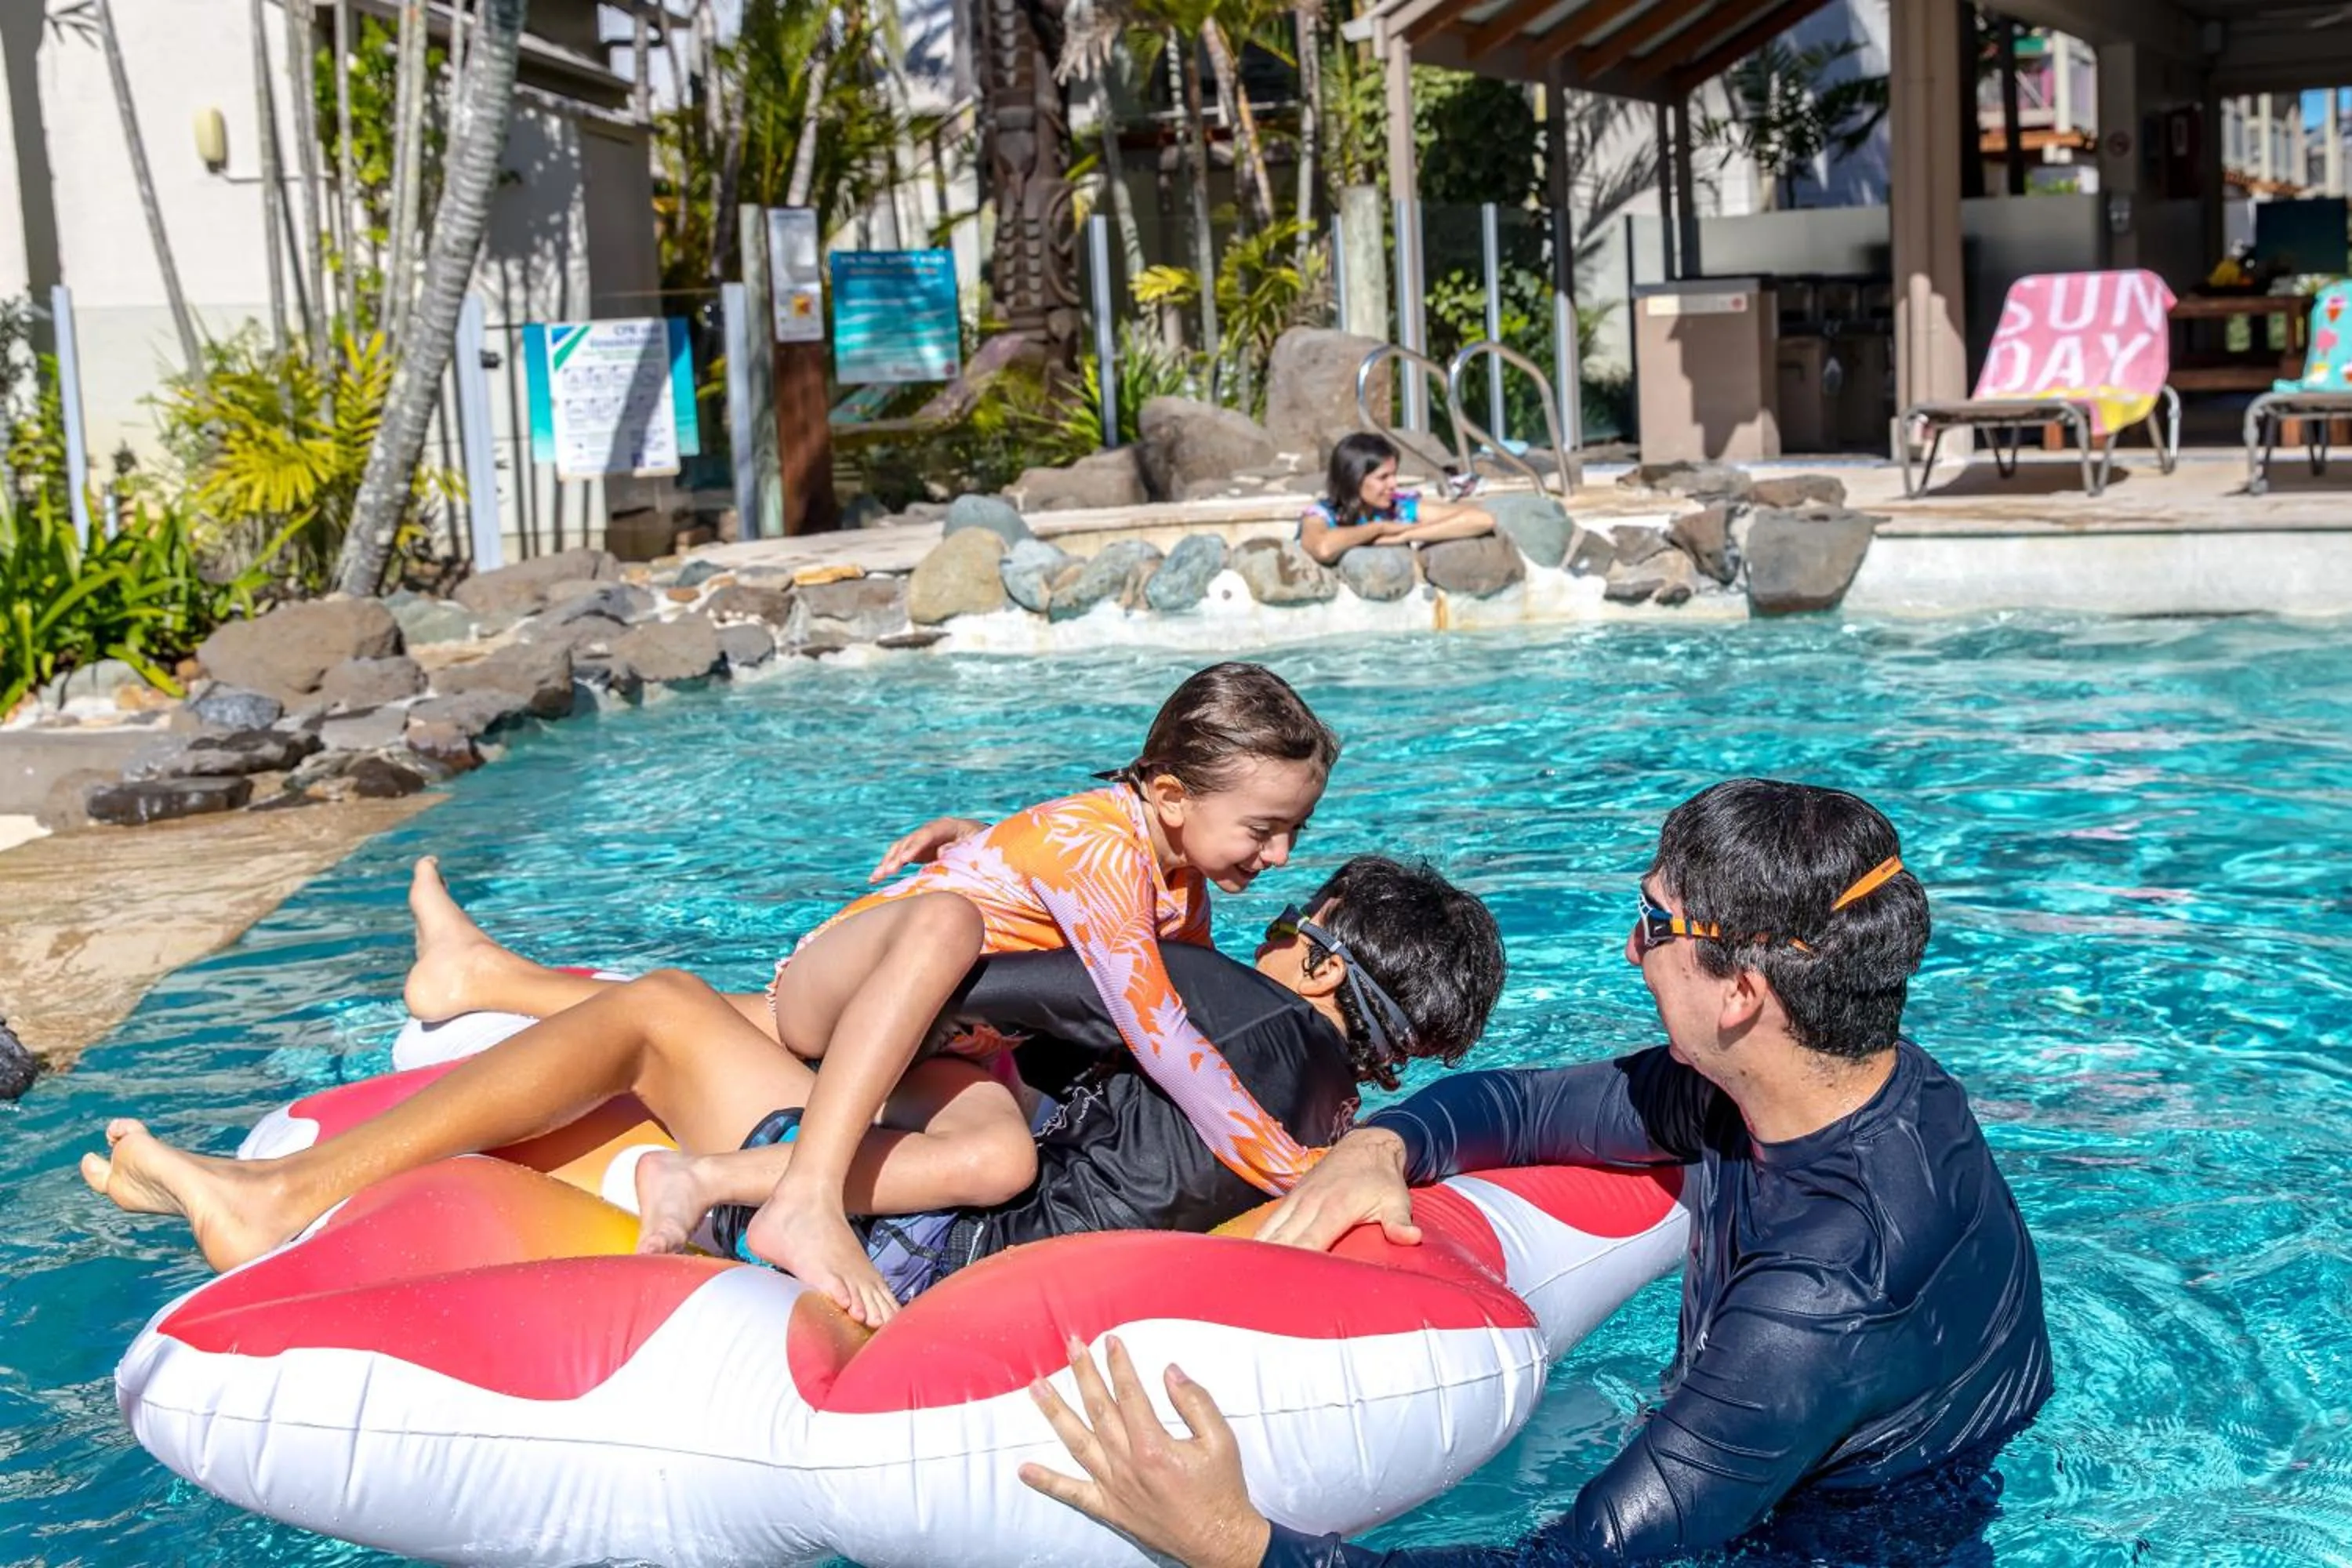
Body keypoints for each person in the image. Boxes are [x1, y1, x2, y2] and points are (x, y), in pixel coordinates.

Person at [85, 660, 1346, 1327]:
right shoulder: (1108, 854)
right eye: (1269, 830)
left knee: (990, 1151)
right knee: (940, 926)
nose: (1279, 861)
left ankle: (483, 978)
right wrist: (1287, 1159)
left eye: (1296, 836)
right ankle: (802, 1194)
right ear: (1173, 795)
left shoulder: (1166, 872)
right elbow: (1163, 1039)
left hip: (939, 1035)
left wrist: (989, 841)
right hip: (850, 984)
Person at [1020, 779, 2053, 1566]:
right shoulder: (1821, 1083)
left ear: (1741, 990)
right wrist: (1381, 1145)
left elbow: (1571, 1563)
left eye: (1653, 922)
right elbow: (1519, 1107)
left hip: (1842, 1540)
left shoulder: (1822, 1300)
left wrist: (1238, 1540)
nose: (1627, 949)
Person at [81, 853, 1507, 1312]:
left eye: (1280, 924)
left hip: (925, 1241)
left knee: (661, 1013)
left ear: (1315, 958)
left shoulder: (1218, 1007)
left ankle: (286, 1194)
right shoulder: (1327, 1116)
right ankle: (482, 984)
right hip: (995, 1246)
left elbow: (906, 996)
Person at [1298, 433, 1498, 567]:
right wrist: (1379, 529)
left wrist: (1404, 535)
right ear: (1354, 480)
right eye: (1383, 477)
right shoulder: (1321, 515)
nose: (1394, 484)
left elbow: (1482, 520)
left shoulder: (1400, 507)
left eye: (1394, 475)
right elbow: (1322, 548)